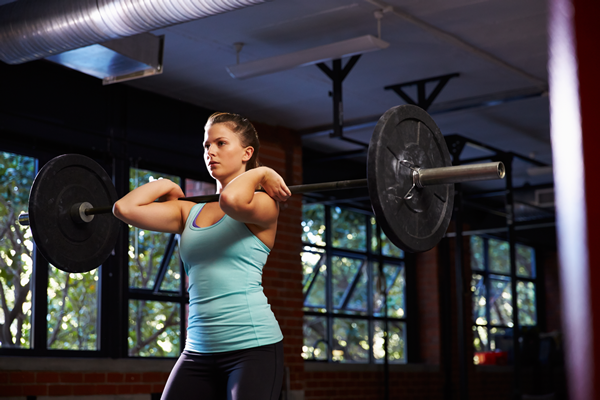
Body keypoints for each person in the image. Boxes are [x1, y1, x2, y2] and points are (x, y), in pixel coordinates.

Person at [113, 112, 292, 400]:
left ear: (247, 153)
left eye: (221, 143)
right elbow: (124, 209)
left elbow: (232, 200)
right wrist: (166, 185)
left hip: (252, 347)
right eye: (206, 145)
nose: (210, 151)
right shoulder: (188, 211)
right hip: (198, 350)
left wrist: (262, 173)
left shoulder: (263, 204)